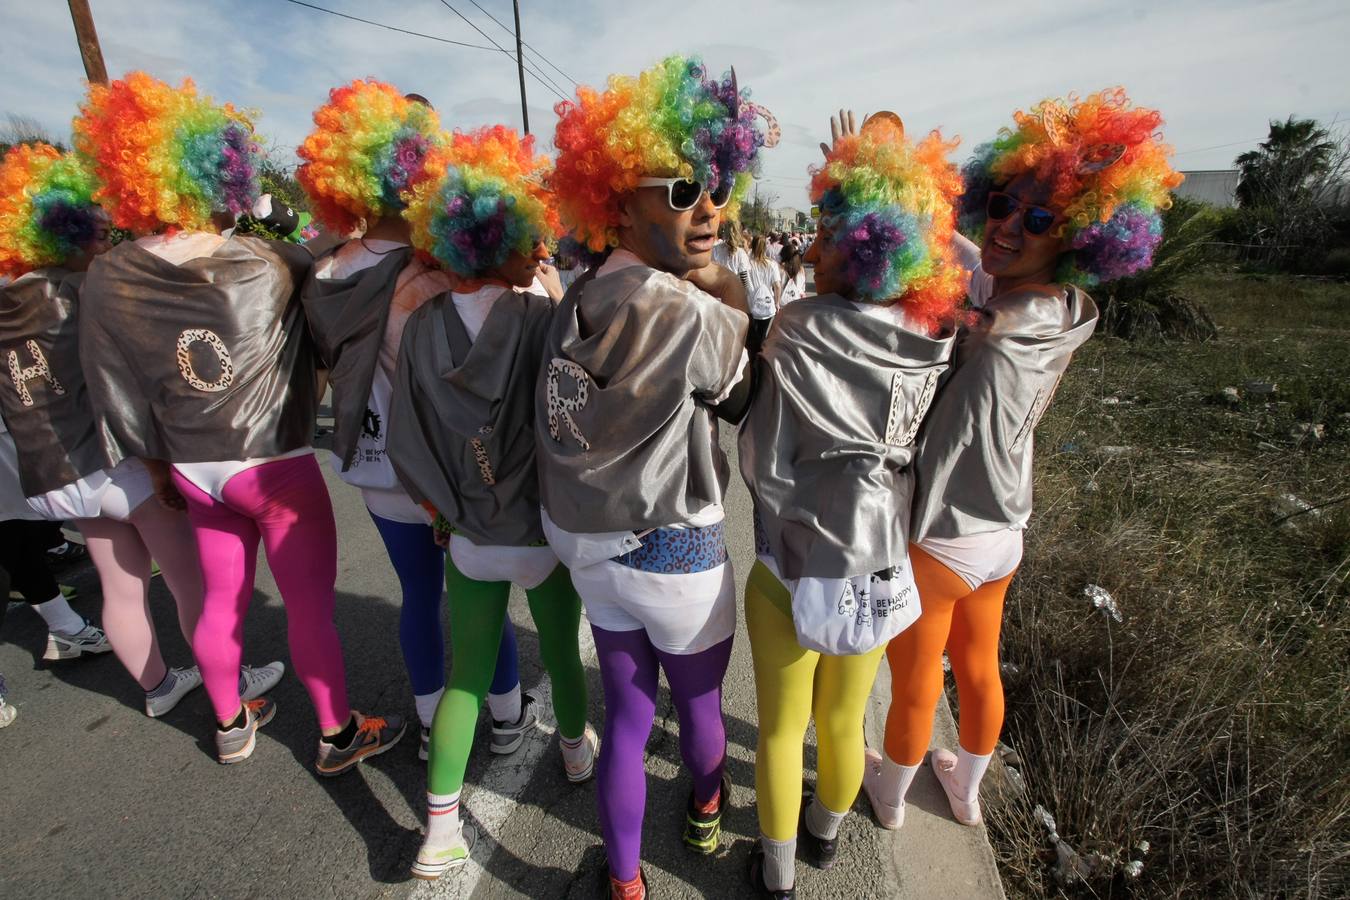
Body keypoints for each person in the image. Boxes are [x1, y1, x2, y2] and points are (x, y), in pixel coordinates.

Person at [865, 89, 1179, 829]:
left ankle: (890, 797)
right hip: (1006, 529)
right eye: (1004, 204)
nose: (1008, 225)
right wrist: (922, 206)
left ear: (1078, 237)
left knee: (916, 674)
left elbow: (935, 411)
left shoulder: (988, 330)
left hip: (945, 534)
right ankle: (966, 790)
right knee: (979, 665)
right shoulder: (1060, 309)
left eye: (1040, 220)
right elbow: (973, 262)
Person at [74, 72, 404, 769]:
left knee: (220, 601)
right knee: (308, 606)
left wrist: (155, 466)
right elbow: (329, 301)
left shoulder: (110, 274)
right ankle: (337, 733)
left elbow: (113, 384)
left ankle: (229, 722)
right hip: (272, 463)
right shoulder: (269, 260)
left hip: (188, 467)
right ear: (220, 172)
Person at [541, 53, 770, 900]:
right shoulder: (685, 308)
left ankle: (624, 880)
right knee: (702, 712)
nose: (708, 208)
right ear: (618, 201)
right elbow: (748, 394)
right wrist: (724, 283)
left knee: (629, 721)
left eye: (717, 188)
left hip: (591, 550)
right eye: (680, 191)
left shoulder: (573, 295)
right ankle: (706, 810)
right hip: (674, 549)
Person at [740, 112, 965, 899]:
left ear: (842, 232)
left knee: (781, 727)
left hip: (793, 563)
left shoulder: (799, 326)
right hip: (879, 562)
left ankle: (775, 872)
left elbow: (763, 464)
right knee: (844, 720)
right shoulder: (933, 338)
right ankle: (825, 835)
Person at [0, 142, 283, 715]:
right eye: (98, 234)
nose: (104, 244)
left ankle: (158, 687)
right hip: (116, 464)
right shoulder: (85, 291)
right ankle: (230, 687)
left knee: (120, 586)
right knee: (187, 581)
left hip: (53, 473)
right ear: (65, 233)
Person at [296, 79, 528, 762]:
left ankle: (430, 722)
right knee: (479, 601)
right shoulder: (425, 278)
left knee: (418, 599)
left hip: (375, 468)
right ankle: (508, 715)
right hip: (444, 472)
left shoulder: (326, 274)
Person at [389, 124, 597, 880]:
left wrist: (442, 511)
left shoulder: (421, 328)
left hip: (470, 533)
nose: (541, 249)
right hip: (539, 531)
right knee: (563, 654)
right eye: (530, 238)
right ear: (501, 239)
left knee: (467, 674)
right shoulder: (543, 320)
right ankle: (573, 752)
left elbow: (409, 438)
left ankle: (439, 828)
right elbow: (572, 422)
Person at [746, 234, 783, 348]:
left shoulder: (747, 264)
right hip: (767, 305)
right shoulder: (772, 264)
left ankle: (752, 356)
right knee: (763, 335)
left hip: (750, 305)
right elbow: (777, 286)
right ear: (765, 247)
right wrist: (777, 302)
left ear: (752, 246)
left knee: (751, 338)